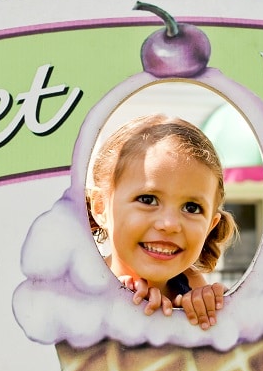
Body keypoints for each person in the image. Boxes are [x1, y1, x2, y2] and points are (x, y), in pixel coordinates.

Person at [87, 114, 237, 330]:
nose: (170, 224)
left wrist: (208, 307)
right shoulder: (82, 282)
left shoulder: (192, 284)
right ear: (101, 206)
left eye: (191, 208)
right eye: (148, 200)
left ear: (210, 226)